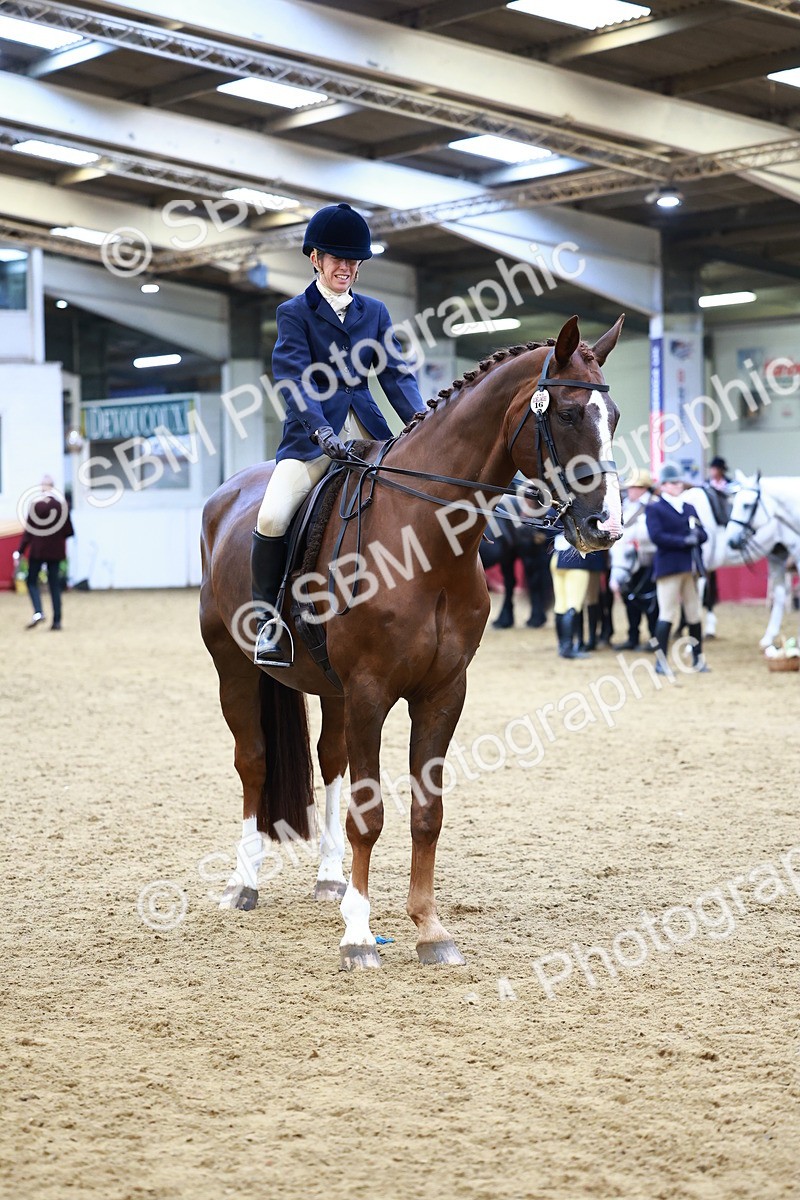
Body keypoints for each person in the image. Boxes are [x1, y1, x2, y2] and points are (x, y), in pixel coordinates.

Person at [252, 202, 425, 667]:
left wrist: (423, 420)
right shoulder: (294, 312)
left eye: (353, 261)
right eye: (336, 258)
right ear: (315, 258)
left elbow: (396, 376)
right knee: (271, 517)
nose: (345, 267)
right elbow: (293, 378)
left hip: (369, 430)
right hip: (313, 438)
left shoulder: (375, 312)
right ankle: (268, 622)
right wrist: (321, 431)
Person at [645, 461, 710, 674]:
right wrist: (684, 541)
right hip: (670, 567)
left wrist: (695, 536)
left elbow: (703, 533)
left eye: (679, 481)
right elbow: (657, 536)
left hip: (689, 567)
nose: (678, 485)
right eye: (673, 482)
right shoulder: (655, 508)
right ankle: (660, 662)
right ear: (663, 485)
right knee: (667, 613)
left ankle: (698, 658)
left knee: (694, 614)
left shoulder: (689, 507)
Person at [14, 476, 74, 631]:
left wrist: (20, 551)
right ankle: (57, 620)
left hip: (38, 551)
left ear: (42, 487)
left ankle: (38, 611)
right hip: (56, 552)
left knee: (31, 581)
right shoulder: (62, 507)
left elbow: (29, 532)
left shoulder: (36, 506)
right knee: (54, 585)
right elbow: (69, 531)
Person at [610, 468, 658, 651]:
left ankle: (654, 637)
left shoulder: (652, 505)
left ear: (644, 488)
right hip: (625, 561)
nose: (630, 490)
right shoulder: (625, 505)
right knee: (630, 600)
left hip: (647, 560)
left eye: (634, 487)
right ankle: (633, 636)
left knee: (649, 601)